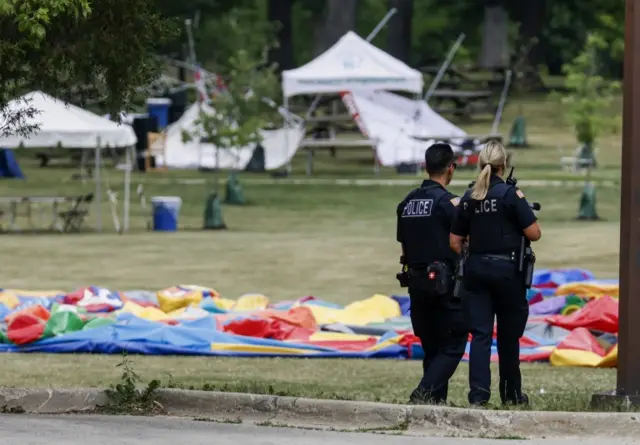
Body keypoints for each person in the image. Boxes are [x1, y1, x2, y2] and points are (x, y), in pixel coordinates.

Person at [449, 140, 542, 407]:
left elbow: (454, 241)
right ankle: (512, 395)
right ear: (504, 165)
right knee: (508, 336)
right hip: (508, 273)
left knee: (480, 335)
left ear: (480, 165)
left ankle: (478, 396)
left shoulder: (470, 197)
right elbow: (534, 233)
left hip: (476, 273)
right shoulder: (511, 195)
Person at [396, 142, 468, 405]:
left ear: (426, 166)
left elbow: (403, 248)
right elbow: (463, 240)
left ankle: (433, 406)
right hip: (444, 284)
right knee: (454, 343)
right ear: (451, 168)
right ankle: (423, 394)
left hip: (415, 282)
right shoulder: (449, 204)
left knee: (432, 347)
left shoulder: (406, 203)